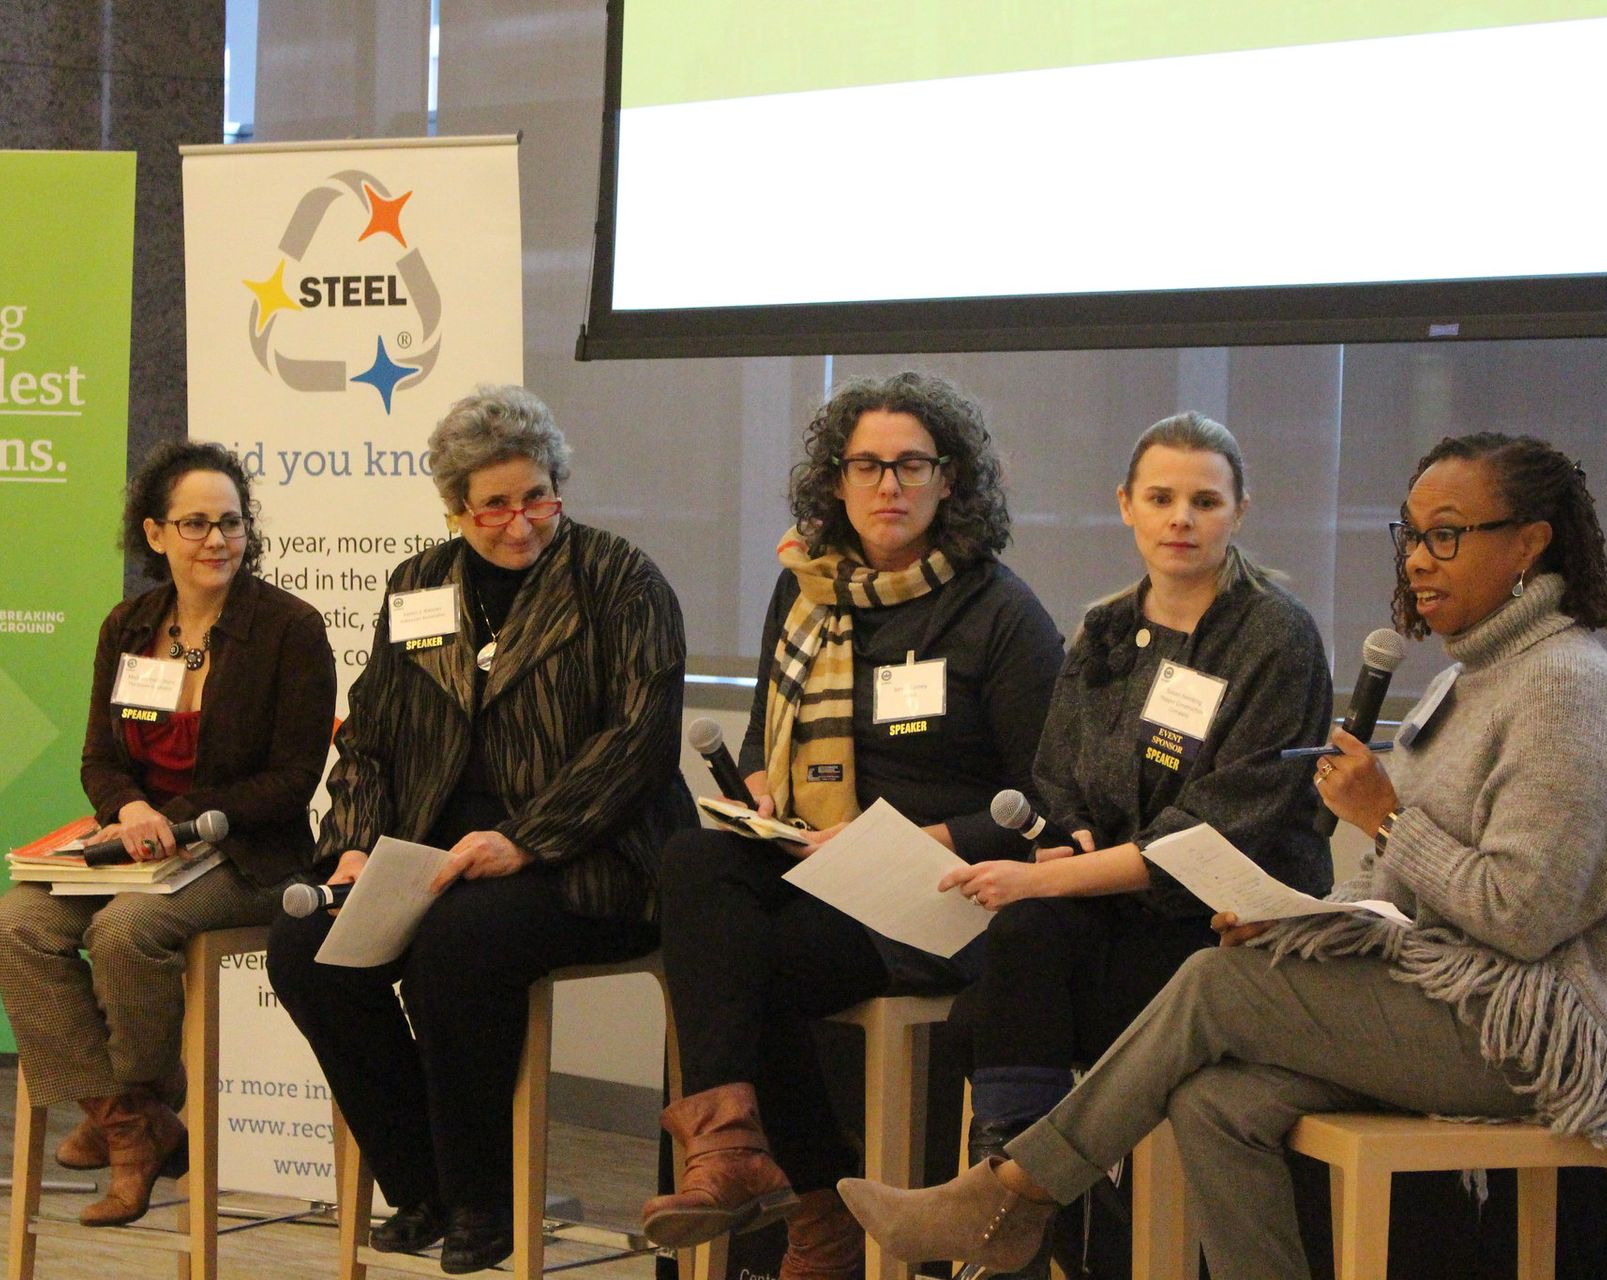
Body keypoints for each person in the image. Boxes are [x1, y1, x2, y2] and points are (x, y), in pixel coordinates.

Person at [837, 432, 1607, 1280]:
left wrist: (1385, 820)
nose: (1420, 561)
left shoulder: (1562, 686)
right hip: (1452, 992)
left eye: (1447, 535)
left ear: (1528, 543)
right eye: (1411, 535)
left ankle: (1014, 1195)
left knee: (1212, 982)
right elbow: (1407, 893)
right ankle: (1017, 1197)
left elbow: (1525, 917)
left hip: (1550, 1031)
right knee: (1215, 1099)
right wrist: (1309, 926)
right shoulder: (1473, 676)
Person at [640, 371, 1064, 1280]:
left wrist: (902, 844)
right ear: (835, 481)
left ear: (952, 480)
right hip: (821, 862)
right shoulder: (806, 590)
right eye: (866, 465)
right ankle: (737, 1157)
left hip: (938, 888)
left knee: (746, 965)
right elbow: (765, 738)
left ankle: (807, 1201)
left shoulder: (1001, 613)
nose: (889, 486)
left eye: (912, 465)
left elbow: (1044, 804)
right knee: (691, 857)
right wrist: (759, 789)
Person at [266, 385, 696, 1275]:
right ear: (456, 506)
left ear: (558, 485)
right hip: (434, 857)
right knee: (305, 942)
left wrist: (527, 840)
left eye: (536, 495)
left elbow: (640, 742)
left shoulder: (619, 578)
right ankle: (419, 1180)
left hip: (594, 859)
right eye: (493, 503)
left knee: (455, 945)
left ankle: (483, 1197)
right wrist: (352, 841)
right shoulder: (419, 583)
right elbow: (370, 738)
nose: (519, 521)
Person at [934, 412, 1332, 1278]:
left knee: (989, 1002)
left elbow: (1219, 830)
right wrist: (1069, 835)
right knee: (1019, 945)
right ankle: (1015, 1205)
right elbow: (1060, 774)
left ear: (1240, 512)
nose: (1180, 518)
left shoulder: (1275, 635)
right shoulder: (1105, 629)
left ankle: (1009, 1202)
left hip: (1229, 937)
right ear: (1126, 506)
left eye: (1204, 500)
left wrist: (1058, 878)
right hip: (1116, 915)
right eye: (1161, 497)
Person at [0, 440, 337, 1227]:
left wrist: (177, 823)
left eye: (233, 523)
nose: (218, 541)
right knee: (11, 925)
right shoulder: (129, 625)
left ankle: (139, 1107)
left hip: (246, 854)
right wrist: (131, 812)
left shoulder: (290, 629)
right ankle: (128, 1120)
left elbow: (290, 781)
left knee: (125, 931)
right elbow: (99, 758)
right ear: (154, 534)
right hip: (136, 845)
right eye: (196, 524)